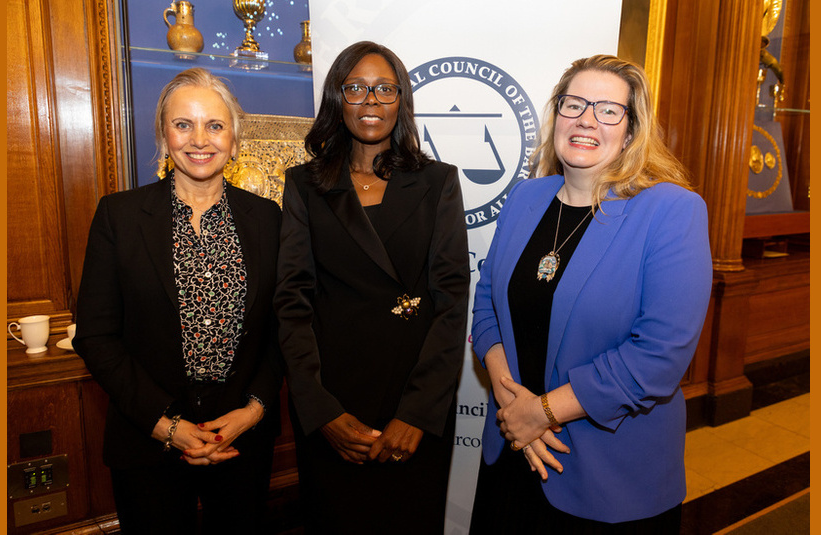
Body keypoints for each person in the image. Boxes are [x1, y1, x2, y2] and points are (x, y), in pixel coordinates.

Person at [469, 55, 713, 533]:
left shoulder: (671, 211)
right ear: (556, 114)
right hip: (512, 451)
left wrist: (540, 413)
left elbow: (658, 358)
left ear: (632, 128)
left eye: (607, 110)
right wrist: (511, 402)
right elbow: (486, 305)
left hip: (610, 480)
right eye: (574, 104)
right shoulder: (525, 198)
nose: (585, 119)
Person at [73, 67, 283, 534]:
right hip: (146, 441)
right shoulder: (119, 216)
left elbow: (282, 329)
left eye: (214, 125)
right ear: (164, 135)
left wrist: (251, 412)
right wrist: (168, 426)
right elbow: (96, 335)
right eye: (183, 124)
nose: (199, 139)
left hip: (241, 440)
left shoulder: (268, 219)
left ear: (233, 138)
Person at [274, 41, 469, 534]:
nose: (371, 100)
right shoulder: (304, 185)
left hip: (411, 396)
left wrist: (419, 415)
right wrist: (322, 413)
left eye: (385, 89)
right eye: (356, 88)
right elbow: (292, 305)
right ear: (338, 98)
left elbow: (450, 303)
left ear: (401, 100)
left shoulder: (438, 182)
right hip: (335, 402)